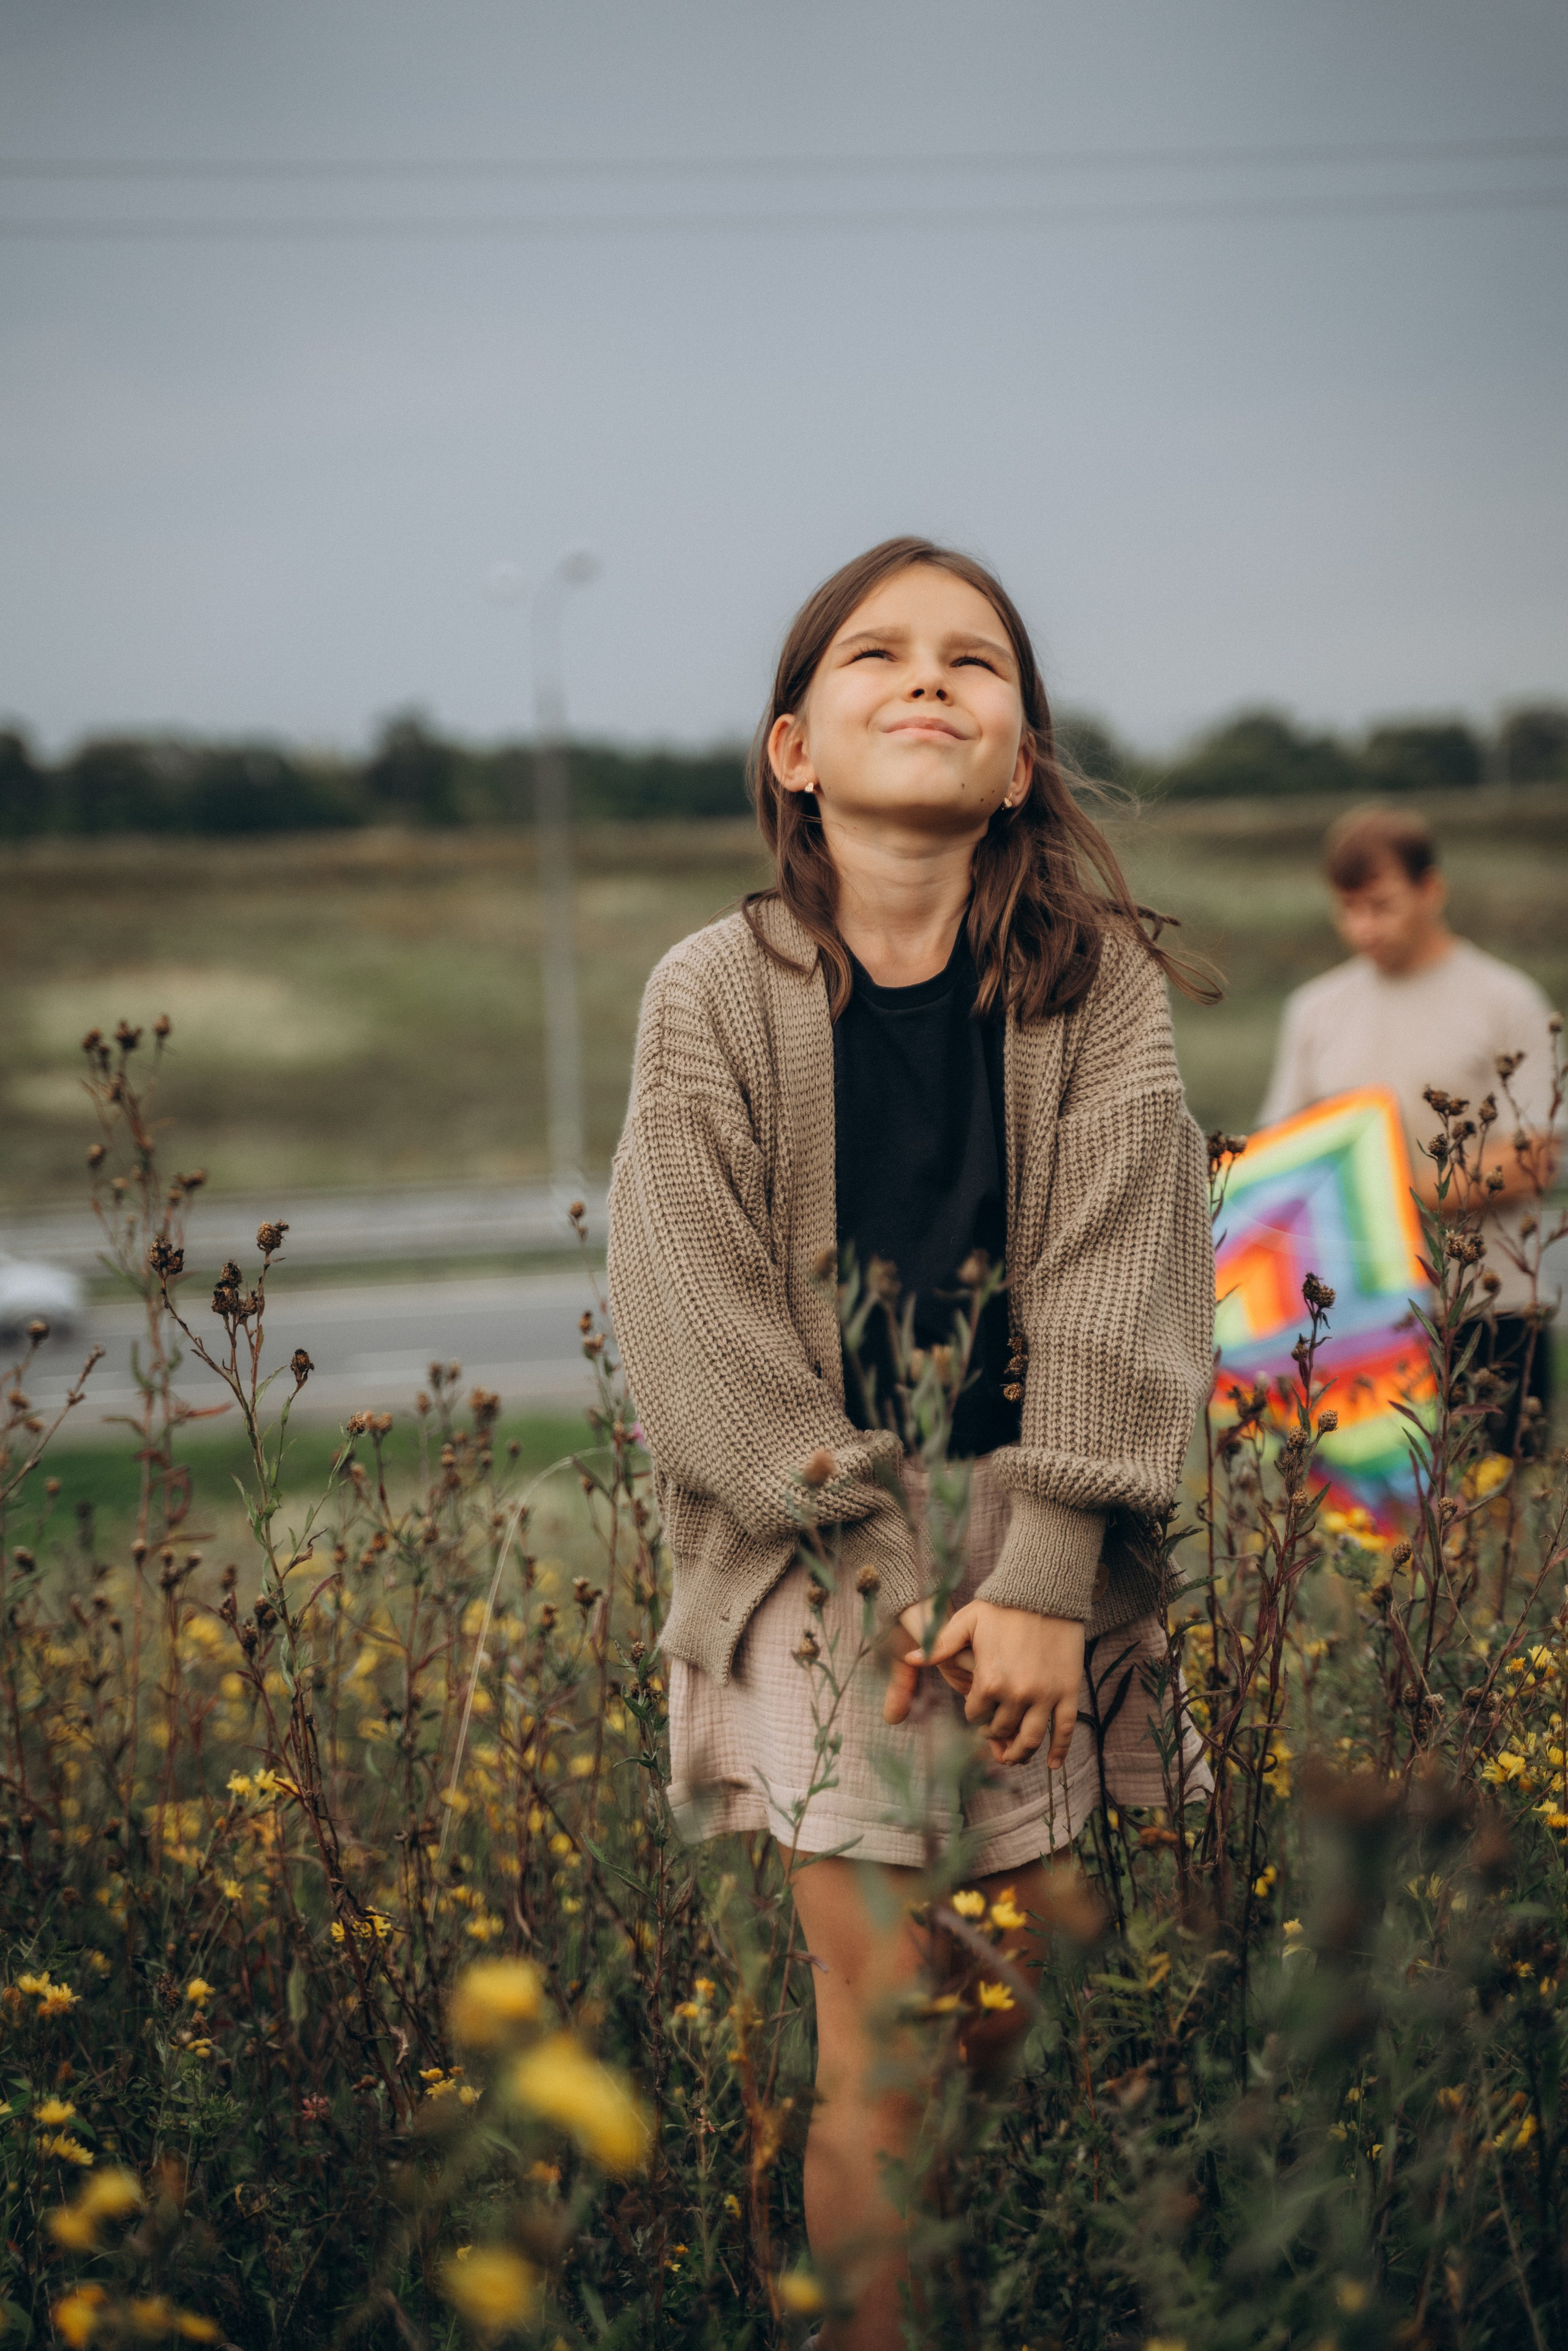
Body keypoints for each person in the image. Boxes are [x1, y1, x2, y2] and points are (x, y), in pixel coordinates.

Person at [608, 538, 1214, 2348]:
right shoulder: (709, 992)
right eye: (874, 654)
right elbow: (692, 1314)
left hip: (1045, 1543)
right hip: (815, 1544)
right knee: (881, 2038)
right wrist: (877, 1559)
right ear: (794, 750)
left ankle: (953, 2282)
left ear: (1020, 760)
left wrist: (1037, 1582)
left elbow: (1122, 1288)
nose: (928, 676)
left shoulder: (1098, 990)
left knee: (1015, 1998)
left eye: (973, 659)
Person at [1261, 803, 1561, 1449]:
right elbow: (1280, 1156)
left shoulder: (1506, 1000)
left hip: (1493, 1308)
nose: (1362, 927)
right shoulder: (1314, 1011)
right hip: (1359, 1321)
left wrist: (1392, 1200)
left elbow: (1535, 1160)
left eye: (1381, 905)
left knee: (1498, 1496)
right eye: (1347, 908)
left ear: (1431, 889)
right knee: (1369, 1508)